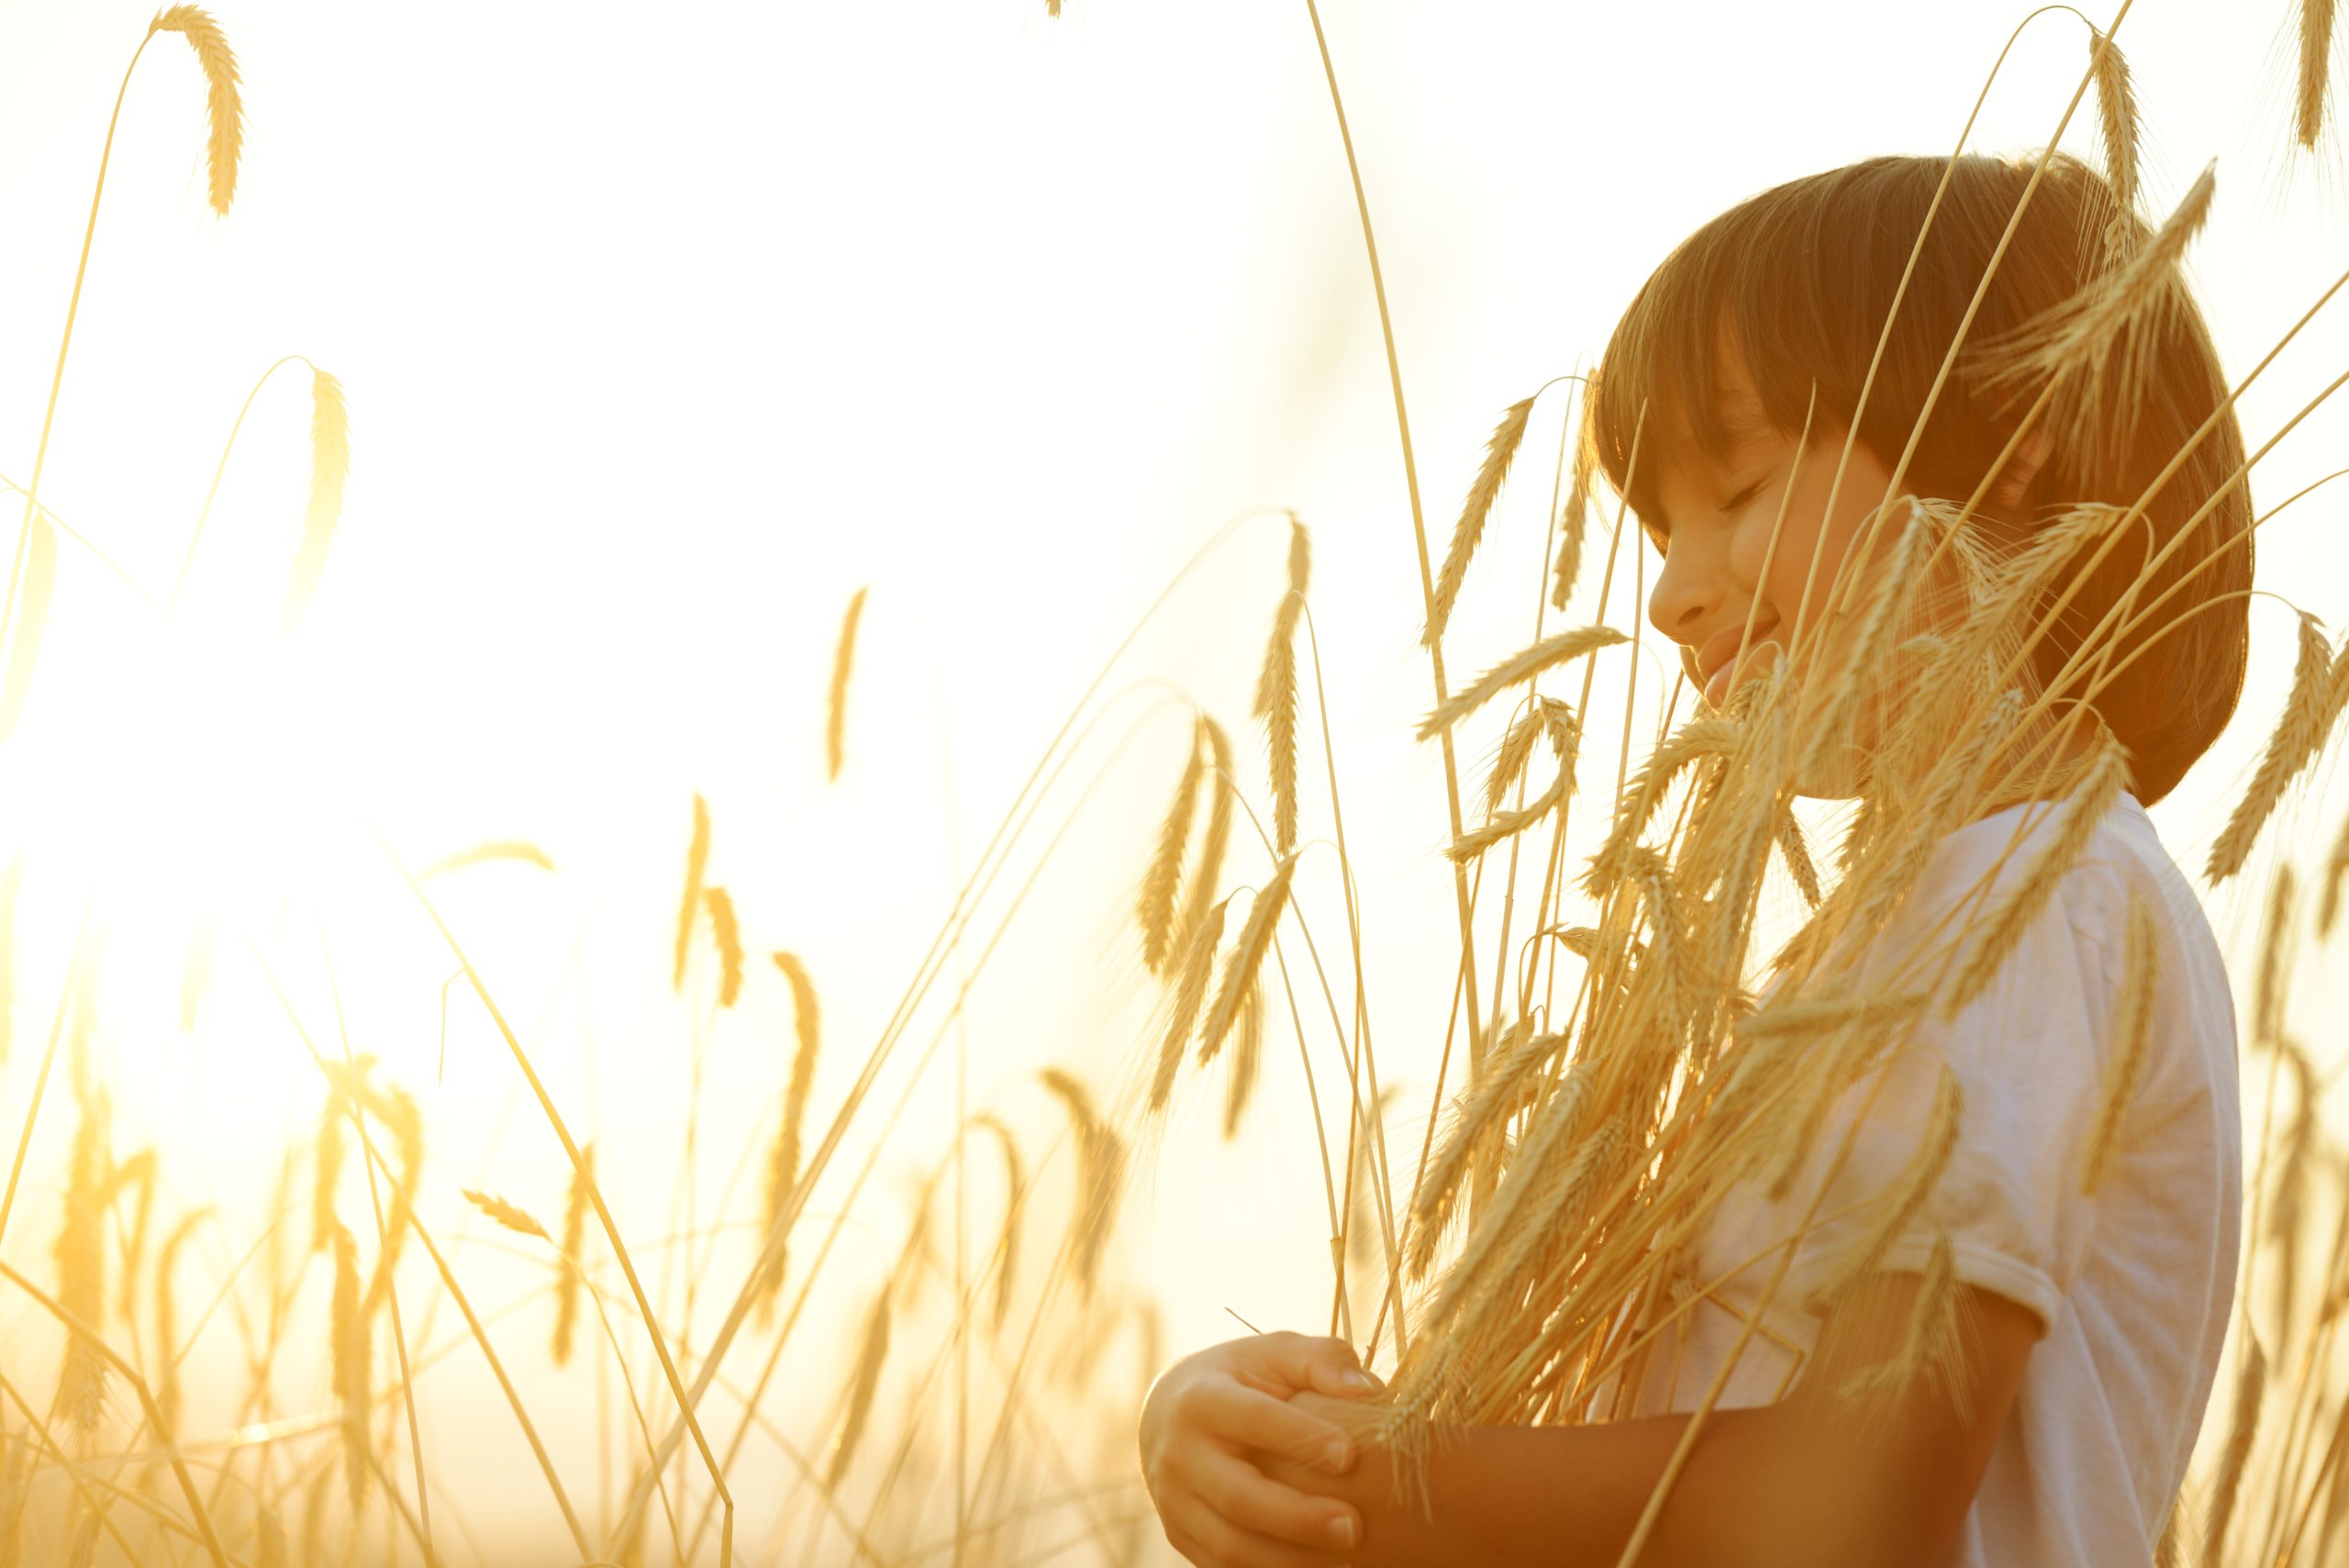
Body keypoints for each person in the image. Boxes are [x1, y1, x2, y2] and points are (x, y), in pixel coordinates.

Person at [1137, 150, 2249, 1568]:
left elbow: (1849, 1500)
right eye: (1661, 529)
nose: (1671, 589)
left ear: (2008, 440)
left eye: (1736, 486)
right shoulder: (1909, 925)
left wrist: (1372, 1493)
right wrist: (1266, 1437)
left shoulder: (2032, 900)